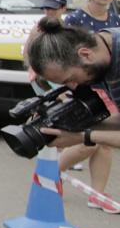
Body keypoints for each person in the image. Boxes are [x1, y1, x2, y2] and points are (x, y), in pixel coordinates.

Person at [24, 17, 120, 214]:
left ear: (85, 54)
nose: (75, 88)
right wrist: (69, 125)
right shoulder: (102, 60)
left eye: (72, 79)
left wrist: (83, 137)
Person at [55, 0, 120, 208]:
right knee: (87, 142)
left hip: (111, 90)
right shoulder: (75, 20)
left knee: (105, 143)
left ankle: (98, 195)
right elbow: (63, 58)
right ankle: (52, 173)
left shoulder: (116, 20)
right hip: (85, 89)